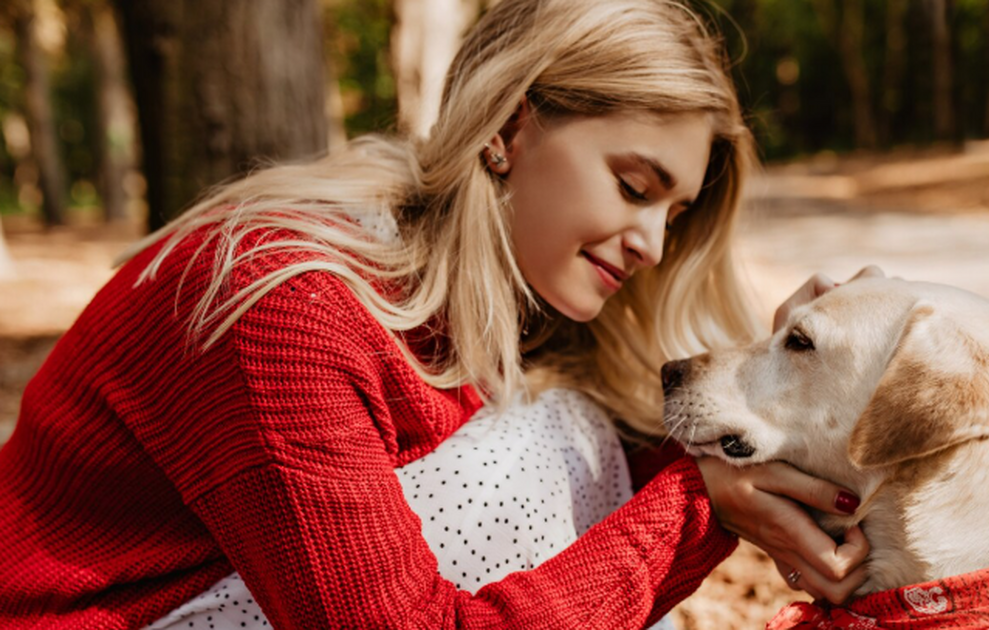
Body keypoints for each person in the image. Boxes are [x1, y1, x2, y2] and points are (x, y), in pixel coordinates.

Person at [0, 0, 873, 628]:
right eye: (633, 186)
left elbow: (664, 465)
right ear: (508, 124)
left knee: (580, 432)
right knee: (547, 455)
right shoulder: (289, 304)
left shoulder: (500, 290)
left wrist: (773, 387)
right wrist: (702, 505)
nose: (650, 242)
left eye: (672, 215)